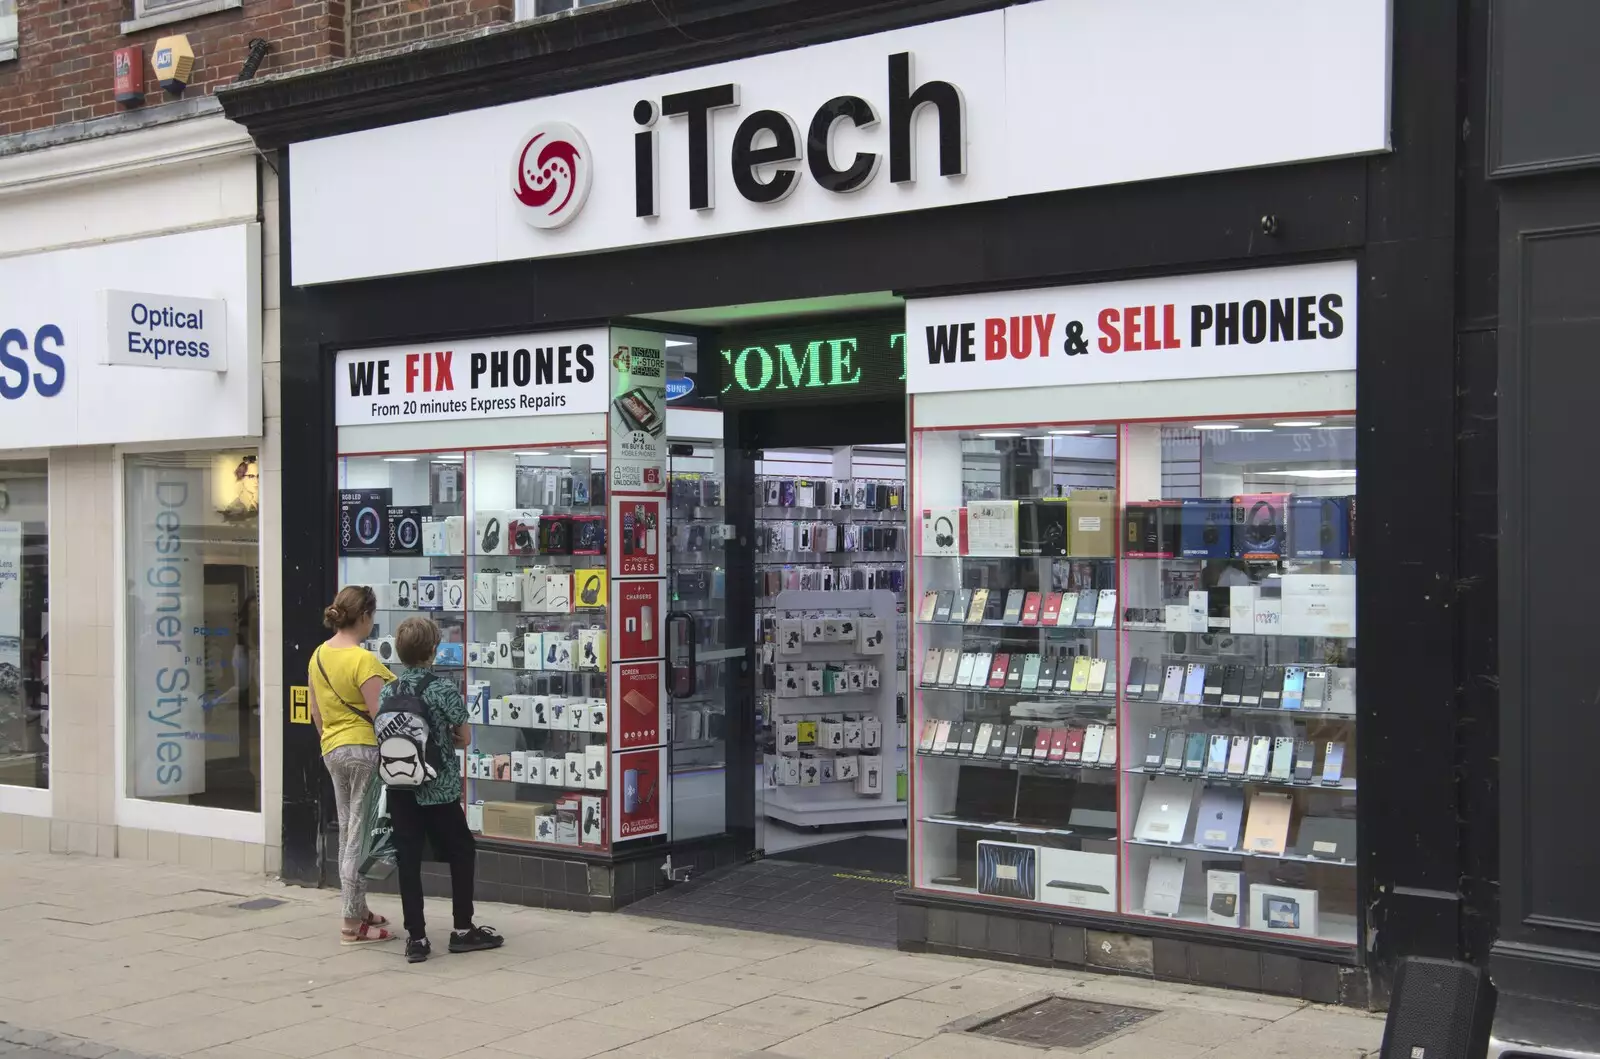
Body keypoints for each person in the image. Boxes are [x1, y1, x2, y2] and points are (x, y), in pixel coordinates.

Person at [382, 616, 503, 963]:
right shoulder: (443, 690)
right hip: (439, 787)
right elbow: (464, 738)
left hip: (401, 785)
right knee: (462, 850)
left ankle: (416, 938)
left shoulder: (390, 690)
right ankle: (463, 929)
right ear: (433, 651)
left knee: (408, 860)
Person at [308, 585, 394, 945]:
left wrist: (330, 743)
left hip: (333, 749)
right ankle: (349, 921)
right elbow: (381, 717)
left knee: (348, 830)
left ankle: (358, 909)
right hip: (363, 750)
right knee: (358, 837)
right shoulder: (364, 661)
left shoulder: (318, 656)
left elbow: (316, 712)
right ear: (364, 617)